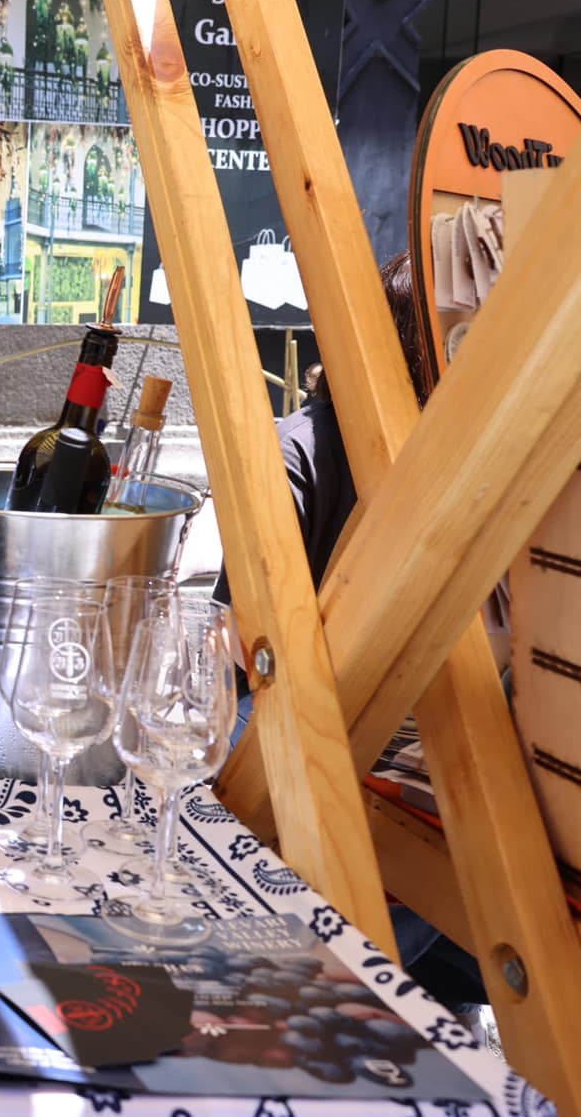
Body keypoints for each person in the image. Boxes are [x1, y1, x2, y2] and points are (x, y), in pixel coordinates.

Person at [217, 250, 485, 1017]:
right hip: (305, 732)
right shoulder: (301, 450)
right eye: (460, 340)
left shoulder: (480, 465)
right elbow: (237, 650)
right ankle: (322, 994)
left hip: (429, 749)